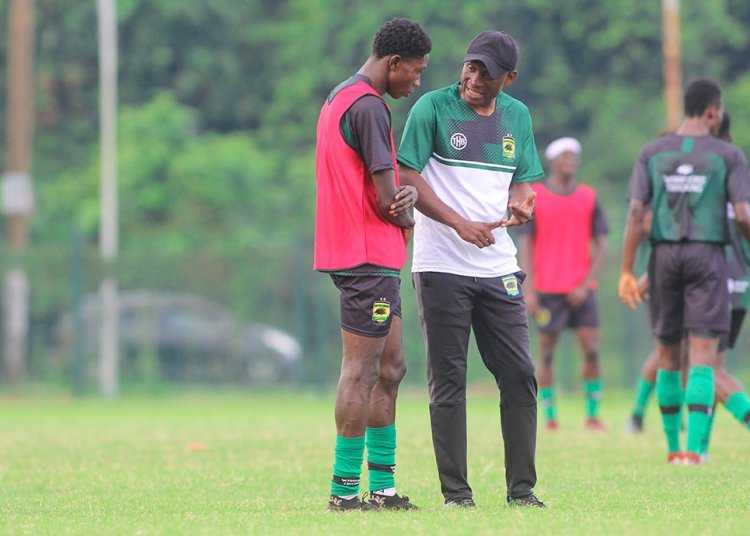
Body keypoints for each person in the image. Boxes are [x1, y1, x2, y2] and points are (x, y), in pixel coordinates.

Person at [398, 30, 545, 508]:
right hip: (441, 265)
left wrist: (523, 204)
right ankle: (457, 494)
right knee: (448, 379)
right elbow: (406, 175)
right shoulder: (432, 109)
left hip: (499, 265)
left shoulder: (517, 116)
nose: (474, 78)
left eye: (486, 72)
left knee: (519, 374)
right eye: (471, 66)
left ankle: (522, 491)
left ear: (509, 78)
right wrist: (458, 223)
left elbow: (523, 184)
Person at [313, 18, 430, 511]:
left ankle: (381, 489)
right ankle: (344, 492)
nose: (417, 82)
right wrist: (409, 206)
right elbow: (388, 199)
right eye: (415, 71)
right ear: (393, 63)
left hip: (368, 254)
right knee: (360, 371)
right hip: (365, 254)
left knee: (392, 367)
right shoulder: (368, 107)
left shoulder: (340, 97)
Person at [619, 79, 750, 465]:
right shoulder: (728, 155)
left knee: (667, 354)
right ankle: (694, 451)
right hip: (707, 256)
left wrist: (626, 270)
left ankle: (672, 449)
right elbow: (743, 215)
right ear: (713, 111)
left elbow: (635, 213)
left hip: (662, 257)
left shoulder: (652, 152)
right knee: (704, 357)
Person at [518, 137, 609, 431]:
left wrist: (586, 283)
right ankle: (550, 417)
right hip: (547, 290)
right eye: (565, 156)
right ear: (553, 161)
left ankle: (592, 415)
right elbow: (526, 243)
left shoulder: (588, 197)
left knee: (591, 350)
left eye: (574, 156)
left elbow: (602, 244)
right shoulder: (537, 196)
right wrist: (529, 289)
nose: (570, 161)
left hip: (582, 291)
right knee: (546, 353)